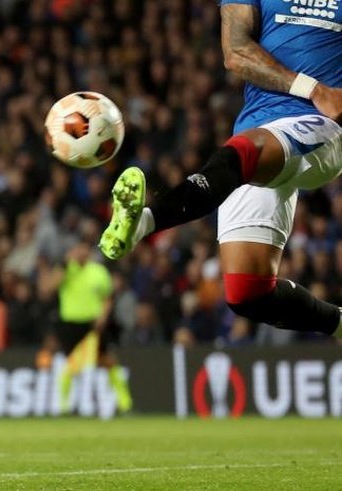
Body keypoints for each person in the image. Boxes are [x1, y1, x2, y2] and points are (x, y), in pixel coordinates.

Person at [100, 0, 342, 339]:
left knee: (249, 150)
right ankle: (339, 324)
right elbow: (237, 53)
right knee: (248, 293)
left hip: (322, 126)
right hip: (256, 129)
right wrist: (313, 88)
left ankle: (142, 223)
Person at [54, 242, 131, 413]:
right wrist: (65, 264)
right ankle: (64, 407)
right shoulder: (66, 270)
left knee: (108, 361)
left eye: (84, 249)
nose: (81, 253)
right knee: (70, 365)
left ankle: (125, 403)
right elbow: (50, 286)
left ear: (88, 252)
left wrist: (103, 316)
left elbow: (108, 298)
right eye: (77, 249)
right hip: (70, 325)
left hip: (93, 325)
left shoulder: (98, 272)